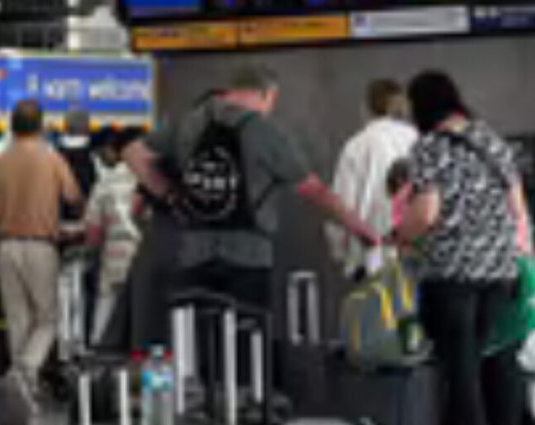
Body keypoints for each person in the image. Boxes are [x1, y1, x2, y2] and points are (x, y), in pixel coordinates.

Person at [125, 65, 378, 316]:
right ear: (268, 94)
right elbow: (314, 191)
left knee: (195, 331)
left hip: (193, 255)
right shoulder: (263, 131)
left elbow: (134, 153)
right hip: (247, 257)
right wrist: (359, 228)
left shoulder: (190, 122)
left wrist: (168, 194)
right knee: (248, 331)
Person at [392, 70, 529, 425]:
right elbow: (516, 207)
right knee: (474, 361)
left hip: (452, 273)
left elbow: (426, 213)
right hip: (498, 271)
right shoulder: (492, 139)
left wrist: (399, 234)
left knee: (460, 368)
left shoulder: (429, 148)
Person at [0, 100, 79, 395]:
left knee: (17, 320)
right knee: (48, 318)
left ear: (12, 126)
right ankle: (25, 369)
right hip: (41, 246)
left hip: (6, 247)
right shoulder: (52, 159)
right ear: (41, 126)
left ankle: (23, 391)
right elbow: (73, 196)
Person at [331, 79, 417, 277]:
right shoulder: (418, 140)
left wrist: (340, 251)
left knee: (376, 293)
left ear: (366, 108)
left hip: (371, 256)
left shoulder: (357, 146)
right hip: (416, 256)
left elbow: (342, 207)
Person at [86, 126, 145, 349]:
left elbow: (93, 231)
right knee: (142, 313)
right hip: (143, 256)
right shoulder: (150, 177)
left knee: (107, 307)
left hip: (113, 256)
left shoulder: (106, 182)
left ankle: (102, 354)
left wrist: (93, 249)